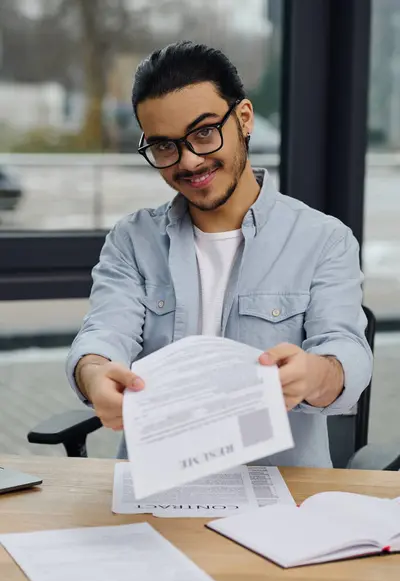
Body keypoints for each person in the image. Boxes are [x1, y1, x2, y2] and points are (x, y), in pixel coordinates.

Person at [66, 41, 373, 467]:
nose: (189, 161)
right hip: (157, 488)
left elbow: (347, 351)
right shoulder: (131, 240)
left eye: (204, 133)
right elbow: (103, 336)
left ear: (244, 118)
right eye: (164, 147)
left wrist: (318, 374)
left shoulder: (323, 239)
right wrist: (95, 374)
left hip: (283, 497)